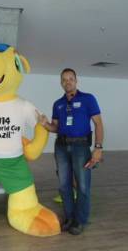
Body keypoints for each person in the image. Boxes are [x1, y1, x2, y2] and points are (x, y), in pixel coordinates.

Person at [40, 68, 104, 235]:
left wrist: (98, 148)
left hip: (81, 148)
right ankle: (69, 218)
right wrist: (45, 124)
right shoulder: (58, 104)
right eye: (64, 79)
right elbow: (56, 127)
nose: (67, 82)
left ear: (76, 81)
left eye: (70, 79)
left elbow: (98, 124)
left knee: (82, 186)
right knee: (64, 185)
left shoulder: (88, 99)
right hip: (61, 148)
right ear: (61, 83)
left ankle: (80, 220)